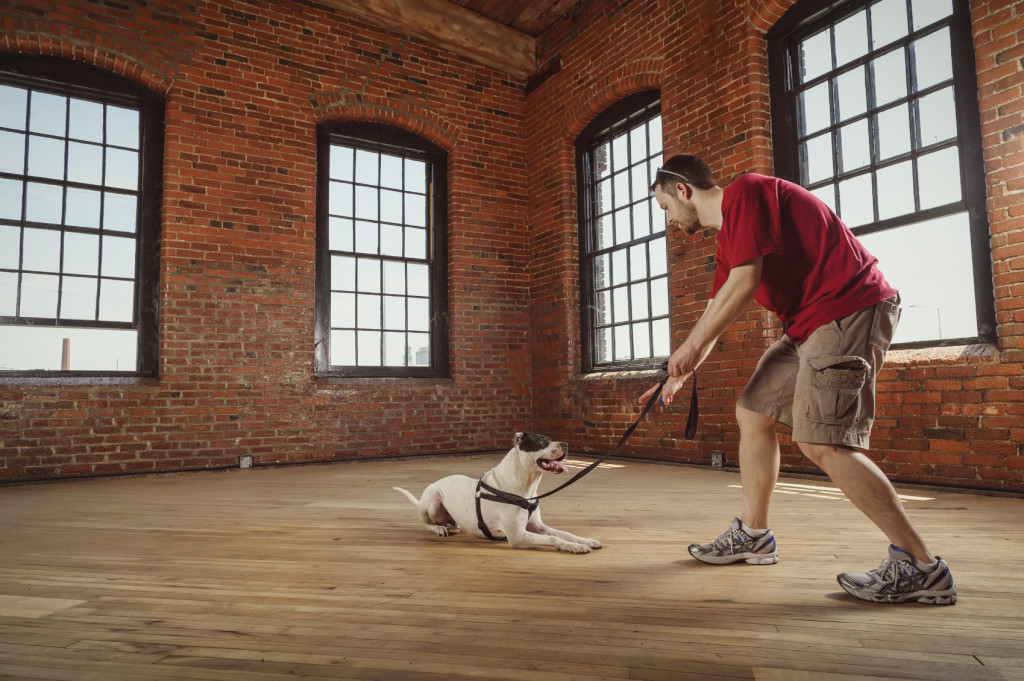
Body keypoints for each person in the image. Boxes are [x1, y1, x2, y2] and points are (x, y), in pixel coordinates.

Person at [639, 154, 957, 605]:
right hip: (810, 323)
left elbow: (746, 282)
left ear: (682, 190)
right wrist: (677, 376)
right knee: (753, 411)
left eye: (665, 208)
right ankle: (754, 535)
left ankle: (922, 567)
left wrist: (687, 351)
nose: (670, 221)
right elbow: (718, 309)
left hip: (848, 308)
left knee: (823, 443)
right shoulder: (729, 241)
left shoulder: (747, 191)